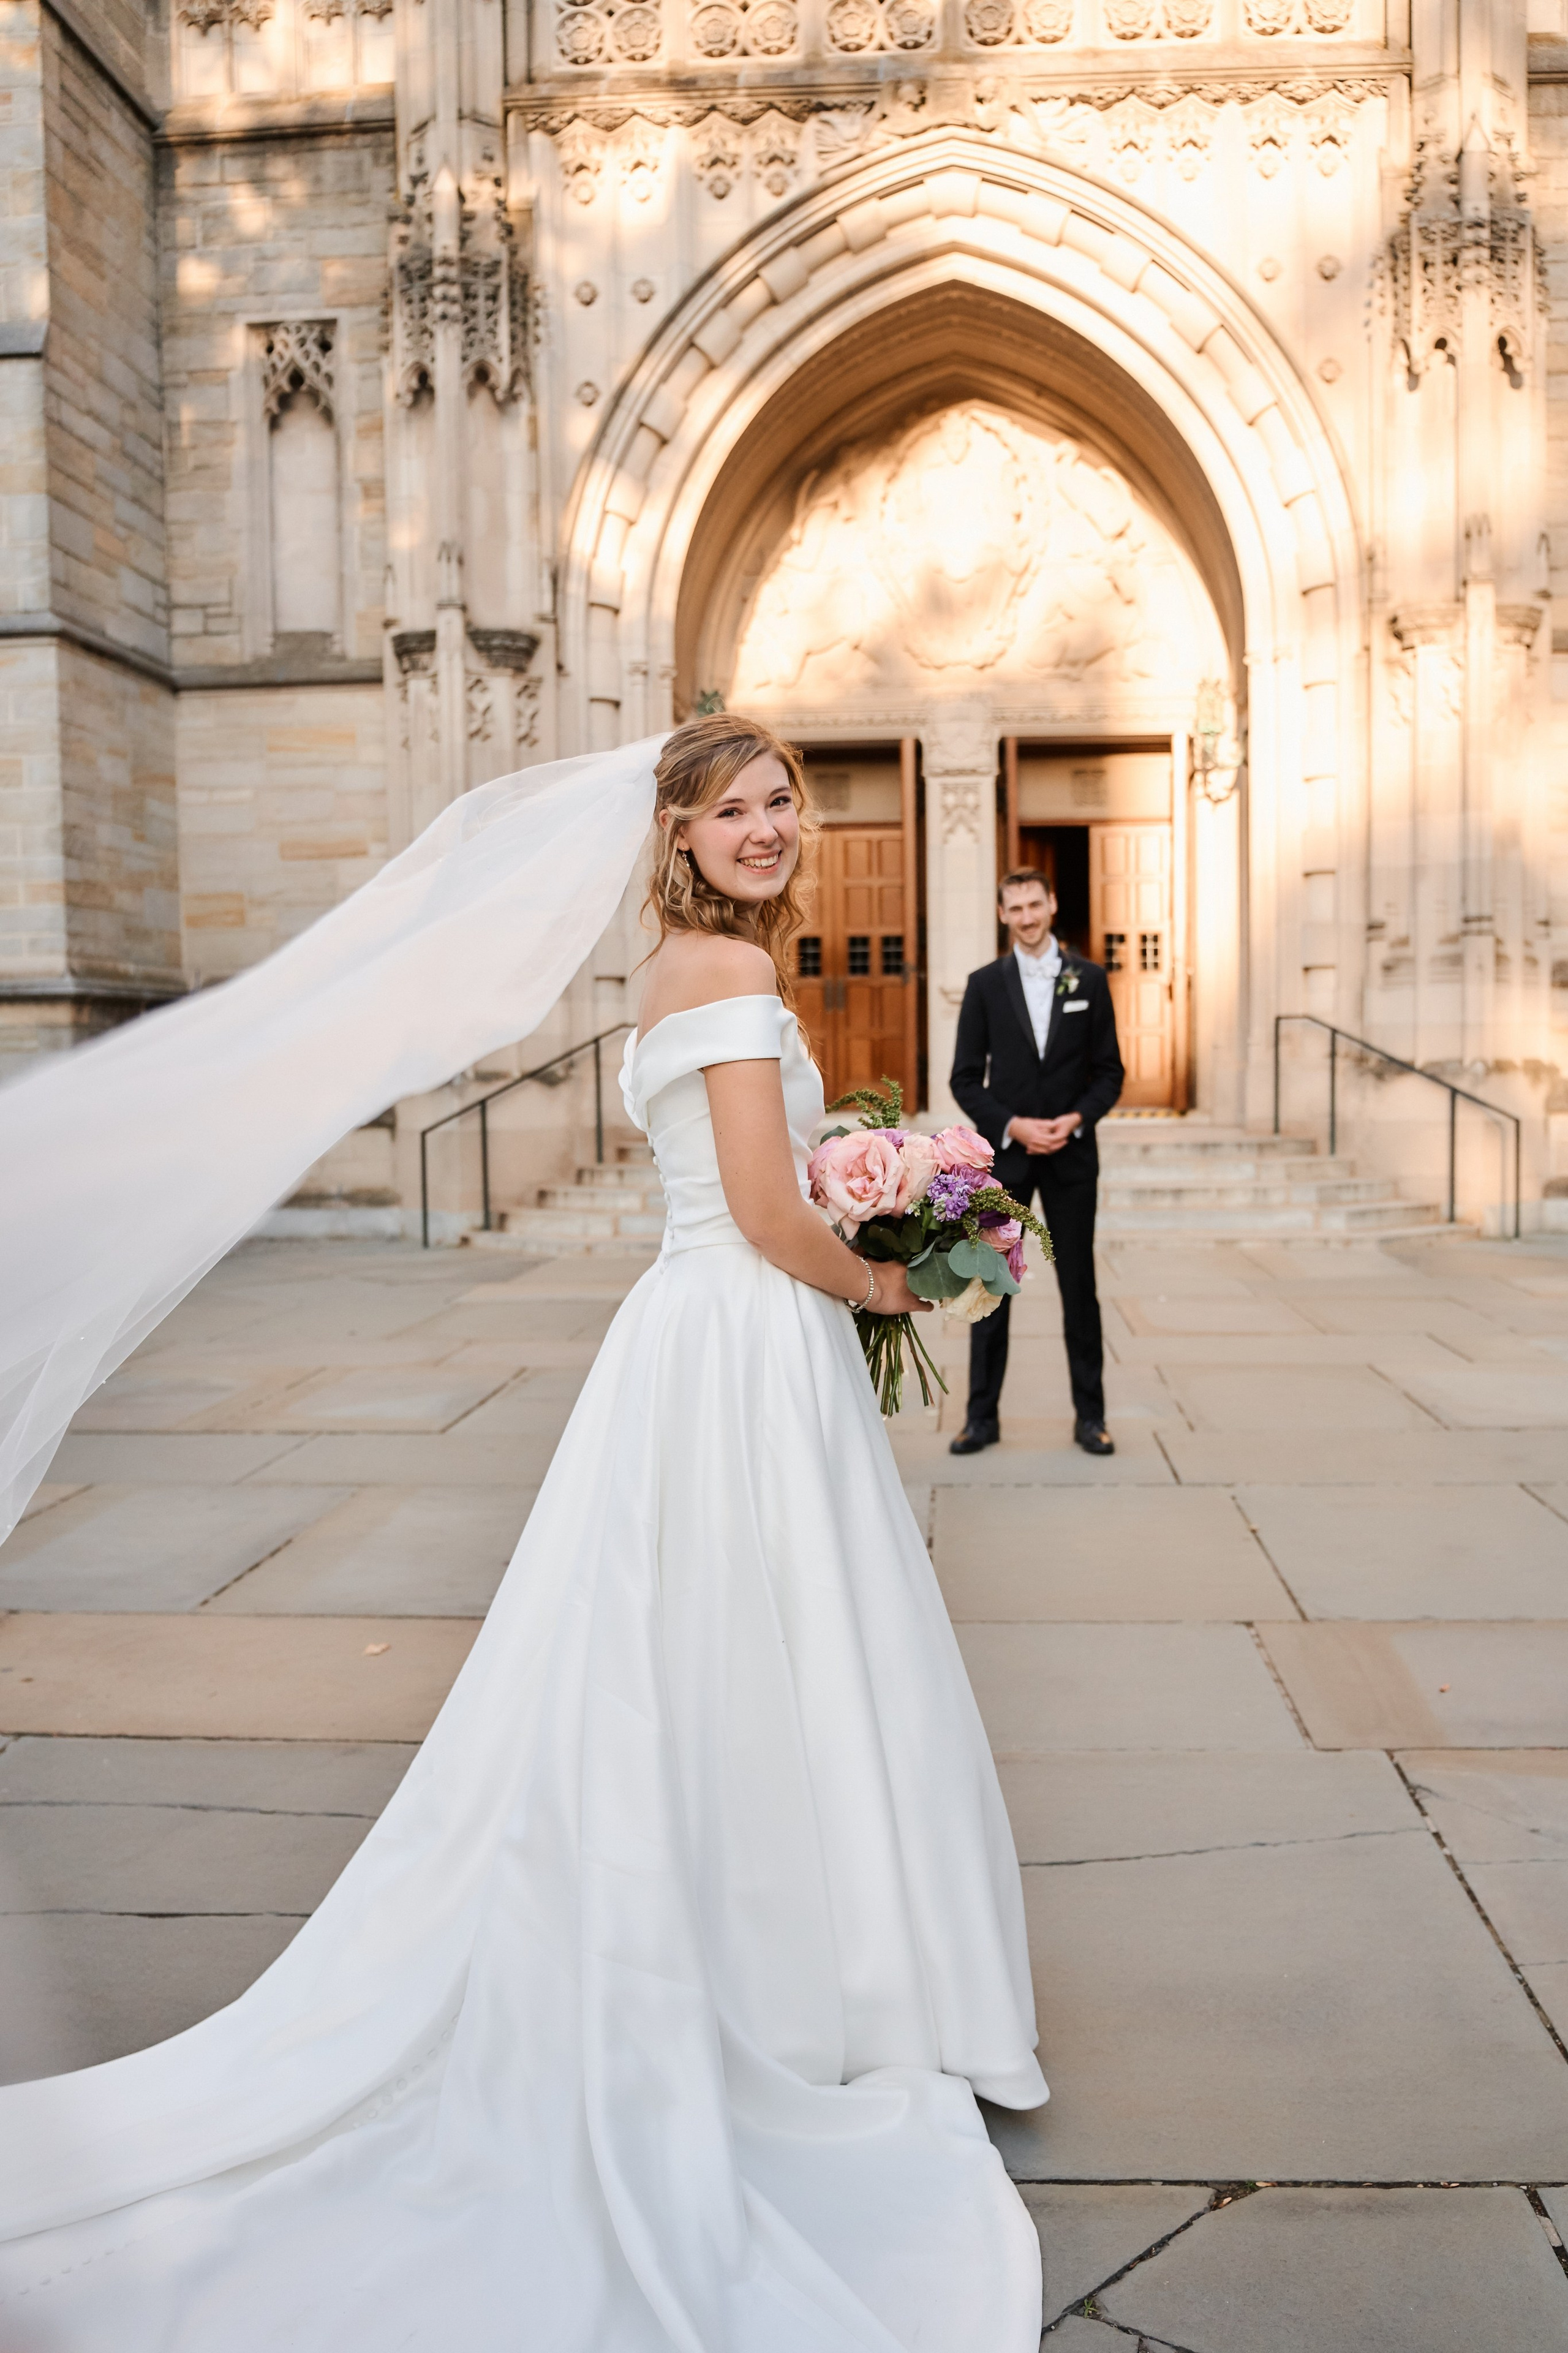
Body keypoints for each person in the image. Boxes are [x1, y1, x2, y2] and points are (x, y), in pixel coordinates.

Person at [0, 715, 1047, 2352]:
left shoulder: (672, 971)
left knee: (706, 1657)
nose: (769, 827)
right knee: (772, 1649)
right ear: (681, 832)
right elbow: (772, 1217)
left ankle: (787, 1964)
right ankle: (813, 1992)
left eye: (785, 802)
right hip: (744, 1333)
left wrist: (855, 1181)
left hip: (700, 1334)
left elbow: (757, 1185)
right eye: (735, 809)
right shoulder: (729, 982)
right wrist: (892, 1276)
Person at [948, 869, 1124, 1459]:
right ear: (1002, 914)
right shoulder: (983, 986)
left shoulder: (1090, 979)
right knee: (990, 1287)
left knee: (1080, 1286)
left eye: (1034, 904)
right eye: (1014, 908)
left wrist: (1076, 1120)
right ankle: (981, 1418)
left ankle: (1091, 1417)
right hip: (1009, 1160)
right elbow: (965, 1078)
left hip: (1073, 1156)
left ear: (1052, 904)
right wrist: (1013, 1125)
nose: (1026, 917)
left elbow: (1109, 1073)